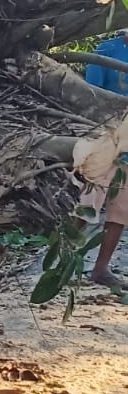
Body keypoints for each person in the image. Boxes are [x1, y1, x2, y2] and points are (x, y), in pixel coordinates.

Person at [86, 30, 128, 288]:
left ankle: (101, 269)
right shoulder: (106, 50)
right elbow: (90, 93)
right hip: (104, 137)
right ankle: (61, 263)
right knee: (87, 201)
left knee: (120, 211)